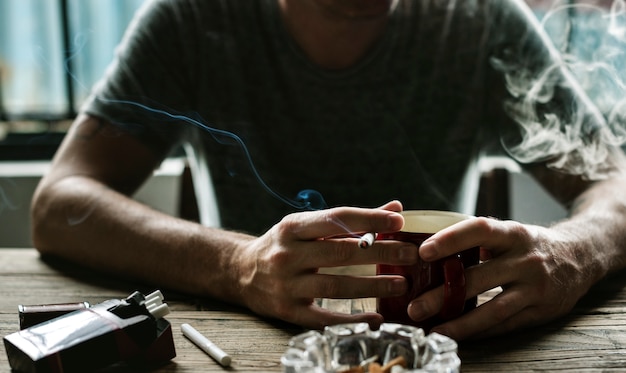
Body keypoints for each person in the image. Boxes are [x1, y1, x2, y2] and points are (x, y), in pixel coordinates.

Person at [31, 0, 626, 341]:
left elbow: (615, 186)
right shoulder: (194, 17)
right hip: (254, 346)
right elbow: (60, 203)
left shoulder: (480, 18)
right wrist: (237, 265)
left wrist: (572, 251)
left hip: (440, 349)